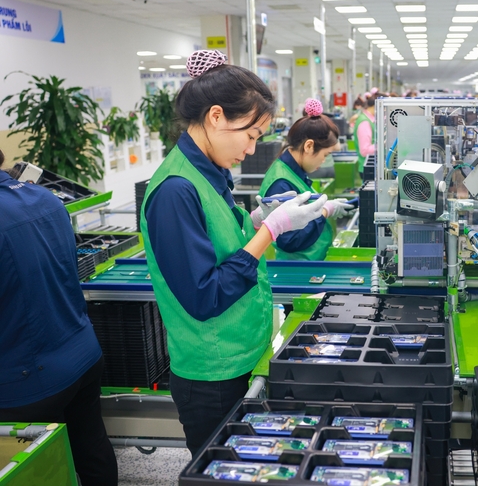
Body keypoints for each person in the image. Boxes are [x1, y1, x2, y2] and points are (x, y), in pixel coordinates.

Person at [140, 50, 329, 455]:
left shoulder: (210, 172)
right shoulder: (175, 190)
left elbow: (221, 240)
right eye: (250, 135)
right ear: (215, 117)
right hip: (213, 375)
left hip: (242, 353)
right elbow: (204, 295)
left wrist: (261, 217)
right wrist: (271, 232)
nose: (250, 150)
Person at [0, 149, 118, 486]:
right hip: (80, 353)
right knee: (91, 446)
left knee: (34, 472)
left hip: (26, 379)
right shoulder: (48, 200)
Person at [259, 99, 353, 260]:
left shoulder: (294, 172)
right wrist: (324, 211)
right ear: (309, 146)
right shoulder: (281, 182)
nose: (324, 161)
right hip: (296, 270)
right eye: (325, 155)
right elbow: (289, 240)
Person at [353, 92, 377, 168]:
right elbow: (365, 150)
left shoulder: (371, 120)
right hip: (367, 167)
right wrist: (385, 146)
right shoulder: (365, 122)